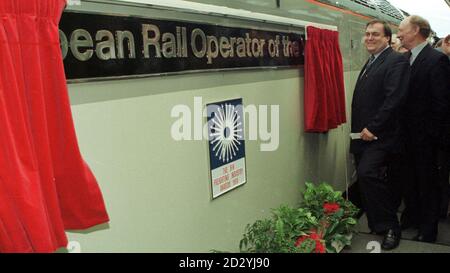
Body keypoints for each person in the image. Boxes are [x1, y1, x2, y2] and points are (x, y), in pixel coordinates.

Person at [350, 20, 410, 250]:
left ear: (387, 38)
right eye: (367, 34)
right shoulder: (373, 60)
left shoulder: (395, 62)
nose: (369, 38)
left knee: (367, 174)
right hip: (363, 135)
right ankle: (378, 224)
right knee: (366, 180)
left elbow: (394, 99)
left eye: (375, 34)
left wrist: (373, 127)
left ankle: (391, 227)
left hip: (381, 135)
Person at [397, 15, 450, 242]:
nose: (398, 34)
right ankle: (413, 218)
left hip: (426, 140)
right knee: (410, 180)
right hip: (406, 137)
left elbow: (442, 104)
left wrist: (432, 137)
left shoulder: (436, 60)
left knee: (428, 184)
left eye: (401, 30)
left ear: (416, 30)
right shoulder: (406, 58)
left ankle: (428, 230)